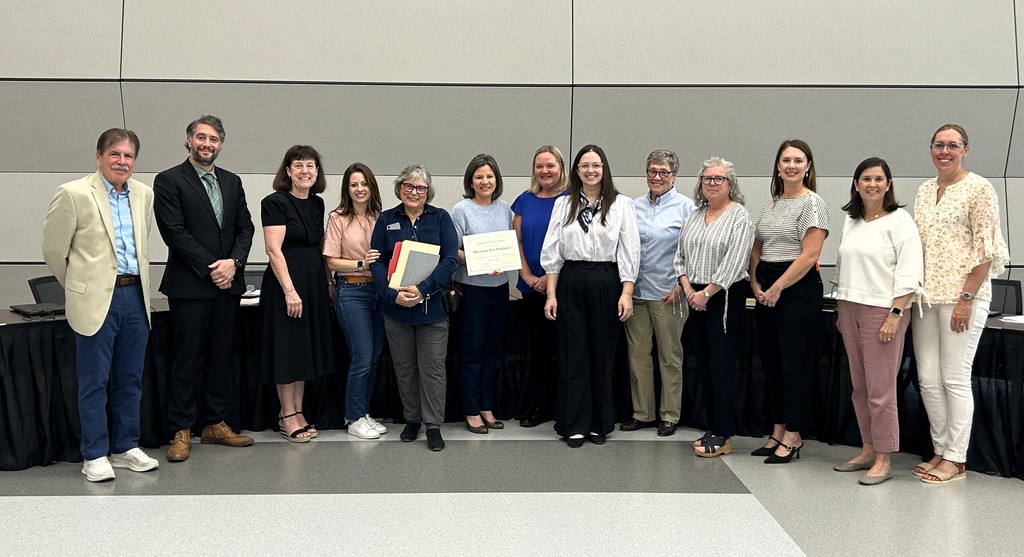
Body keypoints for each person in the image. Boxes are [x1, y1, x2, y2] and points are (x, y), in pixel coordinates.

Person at [41, 128, 158, 481]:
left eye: (128, 156)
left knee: (130, 379)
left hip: (134, 296)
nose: (122, 161)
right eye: (115, 154)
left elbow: (141, 244)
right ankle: (93, 454)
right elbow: (53, 250)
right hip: (95, 300)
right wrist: (80, 286)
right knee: (93, 381)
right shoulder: (73, 193)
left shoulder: (144, 194)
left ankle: (125, 447)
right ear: (98, 156)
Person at [154, 115, 255, 462]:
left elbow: (245, 227)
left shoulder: (232, 181)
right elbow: (174, 232)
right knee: (185, 359)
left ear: (220, 144)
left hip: (228, 286)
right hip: (190, 286)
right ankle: (181, 429)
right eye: (201, 137)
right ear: (189, 140)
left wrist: (234, 263)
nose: (207, 144)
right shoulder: (169, 180)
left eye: (213, 139)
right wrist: (215, 267)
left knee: (221, 357)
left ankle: (214, 423)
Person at [912, 124, 1008, 484]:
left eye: (953, 145)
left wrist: (966, 298)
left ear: (965, 150)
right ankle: (940, 449)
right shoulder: (925, 190)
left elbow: (987, 248)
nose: (945, 151)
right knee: (927, 379)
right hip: (925, 298)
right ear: (931, 149)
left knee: (954, 377)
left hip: (962, 298)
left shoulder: (979, 188)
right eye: (939, 145)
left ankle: (956, 457)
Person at [541, 144, 640, 448]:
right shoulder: (564, 204)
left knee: (602, 352)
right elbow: (552, 250)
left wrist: (626, 292)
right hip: (571, 278)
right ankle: (574, 423)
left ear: (604, 169)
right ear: (577, 170)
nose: (590, 171)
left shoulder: (621, 204)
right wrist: (551, 294)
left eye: (596, 165)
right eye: (584, 165)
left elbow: (630, 250)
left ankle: (600, 422)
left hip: (606, 279)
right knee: (574, 354)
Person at [832, 157, 923, 485]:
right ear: (856, 185)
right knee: (860, 388)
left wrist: (895, 315)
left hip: (883, 311)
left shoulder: (900, 221)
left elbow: (910, 271)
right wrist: (841, 310)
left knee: (880, 390)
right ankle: (868, 449)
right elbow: (844, 267)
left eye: (878, 179)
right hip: (849, 307)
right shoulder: (852, 220)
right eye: (866, 179)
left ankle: (884, 458)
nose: (872, 184)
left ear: (888, 184)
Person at [749, 139, 830, 464]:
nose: (791, 166)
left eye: (798, 160)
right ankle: (778, 428)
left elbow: (810, 255)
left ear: (808, 167)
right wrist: (755, 280)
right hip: (766, 286)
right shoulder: (771, 203)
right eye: (786, 160)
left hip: (796, 289)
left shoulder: (813, 203)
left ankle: (795, 434)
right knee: (772, 363)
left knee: (794, 364)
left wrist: (777, 288)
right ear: (778, 166)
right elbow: (758, 245)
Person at [369, 164, 459, 452]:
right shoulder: (386, 220)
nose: (414, 192)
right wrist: (391, 294)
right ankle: (412, 419)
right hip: (396, 310)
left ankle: (433, 425)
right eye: (408, 186)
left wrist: (423, 289)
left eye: (420, 188)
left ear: (428, 192)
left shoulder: (441, 218)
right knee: (405, 368)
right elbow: (376, 261)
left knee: (433, 369)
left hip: (432, 310)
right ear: (400, 189)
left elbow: (450, 260)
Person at [675, 157, 754, 457]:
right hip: (694, 296)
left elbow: (735, 261)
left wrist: (706, 293)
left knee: (721, 367)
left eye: (719, 178)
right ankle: (712, 427)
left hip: (723, 297)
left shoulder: (739, 217)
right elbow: (679, 256)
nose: (712, 183)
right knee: (704, 366)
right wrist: (688, 290)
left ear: (730, 184)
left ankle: (724, 433)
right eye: (707, 178)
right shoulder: (695, 215)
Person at [260, 145, 335, 443]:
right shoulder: (275, 202)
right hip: (286, 285)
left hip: (313, 283)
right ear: (288, 171)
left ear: (317, 172)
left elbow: (320, 247)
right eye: (299, 165)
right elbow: (273, 250)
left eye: (311, 165)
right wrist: (290, 291)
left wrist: (328, 283)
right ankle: (286, 414)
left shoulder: (317, 203)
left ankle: (299, 411)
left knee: (304, 350)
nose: (305, 171)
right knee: (287, 351)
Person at [621, 150, 695, 437]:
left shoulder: (686, 208)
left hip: (669, 294)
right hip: (637, 293)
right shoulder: (633, 206)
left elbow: (693, 251)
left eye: (664, 172)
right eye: (652, 171)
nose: (657, 177)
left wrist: (681, 286)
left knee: (669, 357)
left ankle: (670, 415)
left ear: (674, 176)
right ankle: (643, 413)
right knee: (638, 357)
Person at [323, 163, 388, 440]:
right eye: (354, 184)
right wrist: (362, 263)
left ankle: (364, 413)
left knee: (373, 357)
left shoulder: (382, 218)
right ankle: (353, 417)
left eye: (364, 184)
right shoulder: (337, 218)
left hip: (380, 293)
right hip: (352, 291)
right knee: (362, 356)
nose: (359, 189)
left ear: (372, 187)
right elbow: (331, 261)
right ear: (347, 189)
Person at [451, 154, 514, 434]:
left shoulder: (506, 210)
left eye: (489, 176)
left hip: (499, 290)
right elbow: (451, 251)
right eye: (479, 177)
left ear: (496, 180)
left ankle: (487, 406)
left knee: (492, 351)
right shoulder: (461, 210)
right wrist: (479, 261)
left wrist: (502, 262)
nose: (485, 181)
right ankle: (470, 409)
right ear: (471, 181)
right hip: (472, 291)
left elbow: (509, 246)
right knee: (471, 352)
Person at [511, 145, 568, 428]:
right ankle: (539, 406)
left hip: (563, 288)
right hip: (530, 288)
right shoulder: (524, 200)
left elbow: (574, 243)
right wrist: (527, 275)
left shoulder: (572, 199)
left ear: (561, 167)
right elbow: (516, 241)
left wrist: (549, 277)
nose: (544, 171)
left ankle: (564, 407)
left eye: (550, 165)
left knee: (565, 350)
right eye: (539, 166)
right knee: (538, 351)